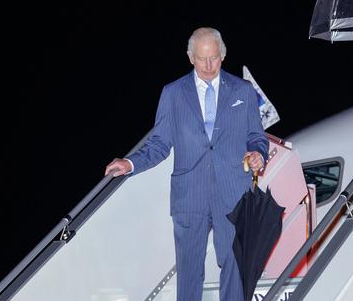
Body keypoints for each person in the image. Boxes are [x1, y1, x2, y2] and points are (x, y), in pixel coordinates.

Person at [105, 27, 268, 301]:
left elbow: (256, 136)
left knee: (235, 266)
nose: (208, 65)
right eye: (202, 59)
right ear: (190, 57)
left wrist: (258, 154)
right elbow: (159, 143)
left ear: (223, 56)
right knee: (189, 272)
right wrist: (130, 163)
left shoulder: (243, 90)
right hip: (189, 196)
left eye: (214, 58)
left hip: (233, 193)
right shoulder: (173, 94)